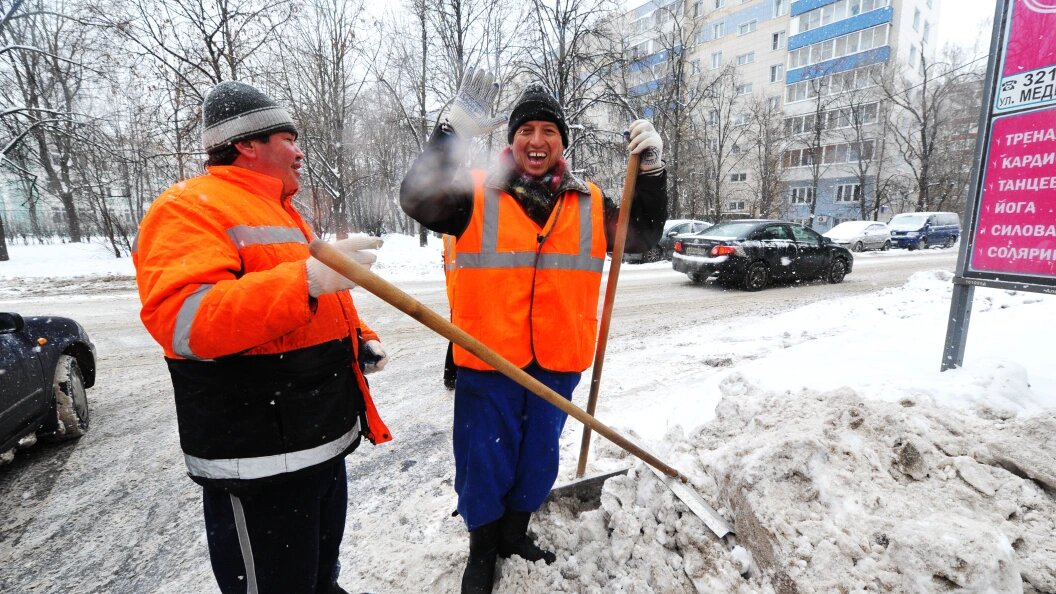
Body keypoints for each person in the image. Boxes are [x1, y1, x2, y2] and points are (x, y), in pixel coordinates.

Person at [400, 70, 668, 593]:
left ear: (563, 142)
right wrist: (451, 134)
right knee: (485, 460)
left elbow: (641, 237)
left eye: (549, 131)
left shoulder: (590, 203)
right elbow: (416, 198)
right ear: (512, 140)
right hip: (489, 360)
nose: (537, 141)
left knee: (538, 457)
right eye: (527, 131)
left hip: (558, 360)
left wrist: (653, 171)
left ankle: (514, 536)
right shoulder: (472, 196)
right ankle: (482, 551)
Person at [133, 80, 392, 594]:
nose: (299, 152)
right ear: (247, 143)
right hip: (258, 460)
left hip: (318, 440)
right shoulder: (189, 207)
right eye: (288, 138)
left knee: (319, 576)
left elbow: (311, 303)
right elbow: (186, 320)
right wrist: (308, 280)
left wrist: (357, 336)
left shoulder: (281, 210)